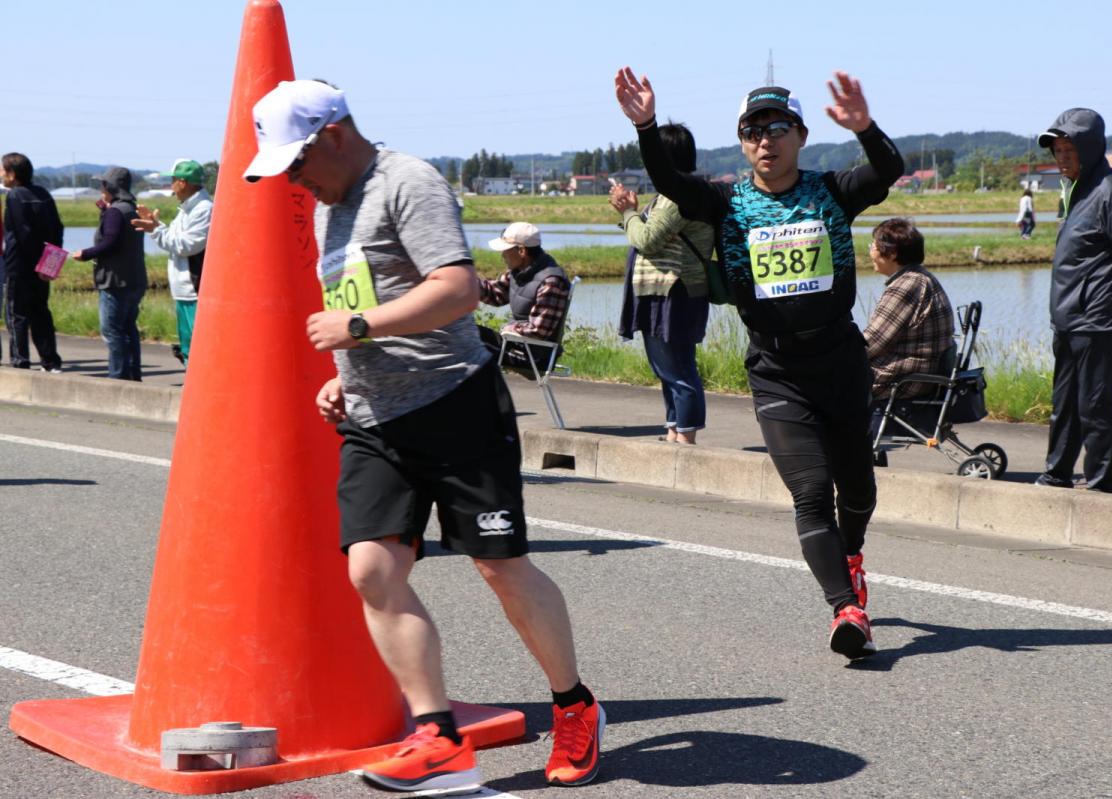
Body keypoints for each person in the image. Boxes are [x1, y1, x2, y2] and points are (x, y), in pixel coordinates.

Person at [243, 80, 602, 794]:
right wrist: (347, 372)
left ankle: (575, 705)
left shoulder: (409, 182)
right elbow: (362, 299)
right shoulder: (329, 208)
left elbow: (458, 288)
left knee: (501, 567)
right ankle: (437, 734)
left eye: (296, 162)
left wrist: (358, 330)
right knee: (372, 571)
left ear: (334, 135)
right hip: (375, 419)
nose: (293, 180)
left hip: (456, 404)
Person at [615, 68, 904, 659]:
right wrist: (646, 125)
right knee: (809, 492)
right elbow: (668, 176)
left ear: (800, 135)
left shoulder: (832, 190)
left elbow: (887, 171)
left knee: (860, 489)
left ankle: (852, 558)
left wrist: (866, 129)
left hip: (840, 361)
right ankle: (845, 610)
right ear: (743, 141)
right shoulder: (724, 201)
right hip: (776, 371)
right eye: (752, 130)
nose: (764, 140)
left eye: (777, 128)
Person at [1034, 108, 1112, 494]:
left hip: (1098, 318)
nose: (1061, 157)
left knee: (1096, 405)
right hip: (1070, 317)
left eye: (1069, 148)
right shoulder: (1078, 190)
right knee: (1064, 404)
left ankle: (1102, 485)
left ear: (1089, 148)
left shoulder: (1111, 191)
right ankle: (1056, 474)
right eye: (1057, 149)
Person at [610, 122, 710, 445]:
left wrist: (627, 213)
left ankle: (685, 437)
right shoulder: (672, 195)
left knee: (678, 367)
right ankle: (673, 429)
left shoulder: (680, 195)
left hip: (674, 292)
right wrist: (635, 212)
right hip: (663, 292)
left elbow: (647, 239)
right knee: (666, 368)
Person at [863, 219, 954, 442]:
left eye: (873, 246)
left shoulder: (906, 286)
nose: (870, 252)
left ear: (891, 253)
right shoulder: (920, 277)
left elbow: (872, 342)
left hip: (904, 377)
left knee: (831, 377)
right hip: (923, 370)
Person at [132, 159, 212, 366]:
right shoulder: (186, 209)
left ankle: (200, 392)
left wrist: (155, 230)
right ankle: (191, 390)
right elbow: (175, 240)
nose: (171, 185)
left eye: (173, 180)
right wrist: (157, 226)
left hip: (195, 290)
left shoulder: (204, 209)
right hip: (183, 290)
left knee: (200, 345)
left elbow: (186, 245)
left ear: (183, 183)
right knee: (188, 346)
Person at [71, 167, 147, 381]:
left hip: (115, 280)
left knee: (112, 331)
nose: (100, 190)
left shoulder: (115, 211)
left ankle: (117, 377)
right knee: (128, 329)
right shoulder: (130, 208)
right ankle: (132, 375)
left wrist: (85, 253)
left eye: (103, 186)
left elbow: (110, 242)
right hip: (135, 278)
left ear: (111, 188)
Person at [476, 222, 570, 377]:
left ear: (521, 250)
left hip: (534, 357)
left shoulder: (551, 281)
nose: (502, 255)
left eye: (505, 250)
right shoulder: (520, 271)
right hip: (517, 345)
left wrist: (509, 329)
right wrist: (467, 283)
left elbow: (539, 331)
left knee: (468, 344)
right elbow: (496, 294)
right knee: (467, 331)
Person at [2, 152, 64, 372]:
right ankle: (50, 361)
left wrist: (33, 261)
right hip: (43, 267)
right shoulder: (43, 193)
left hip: (19, 265)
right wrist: (49, 263)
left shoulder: (15, 195)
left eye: (2, 170)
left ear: (12, 174)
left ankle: (20, 360)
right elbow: (58, 229)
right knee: (40, 312)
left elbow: (23, 233)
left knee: (16, 314)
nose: (1, 174)